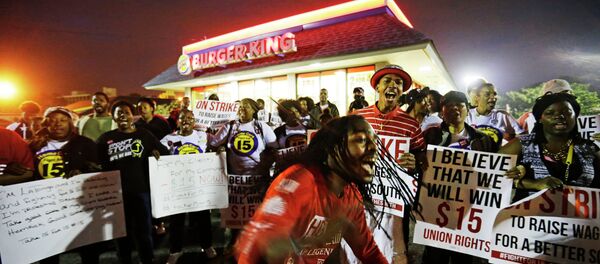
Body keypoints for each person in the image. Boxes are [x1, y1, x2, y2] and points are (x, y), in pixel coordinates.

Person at [235, 115, 388, 264]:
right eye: (361, 140)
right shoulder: (300, 181)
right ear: (333, 148)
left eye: (375, 141)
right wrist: (317, 238)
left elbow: (368, 251)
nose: (374, 148)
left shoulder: (351, 195)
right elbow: (264, 245)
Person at [353, 64, 427, 263]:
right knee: (356, 248)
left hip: (393, 202)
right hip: (360, 196)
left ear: (402, 91)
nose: (393, 85)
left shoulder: (411, 124)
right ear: (377, 88)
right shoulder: (358, 117)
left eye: (399, 82)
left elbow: (421, 157)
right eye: (387, 81)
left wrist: (414, 163)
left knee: (390, 251)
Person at [421, 91, 496, 264]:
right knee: (434, 255)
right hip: (436, 206)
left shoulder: (482, 139)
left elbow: (492, 172)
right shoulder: (430, 136)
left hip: (467, 209)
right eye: (449, 105)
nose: (455, 108)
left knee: (462, 258)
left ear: (468, 109)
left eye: (460, 105)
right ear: (442, 111)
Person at [97, 100, 169, 264]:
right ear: (113, 118)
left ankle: (147, 259)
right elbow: (98, 163)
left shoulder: (144, 135)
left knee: (143, 231)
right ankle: (124, 259)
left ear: (132, 116)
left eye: (126, 112)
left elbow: (164, 153)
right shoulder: (105, 139)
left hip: (140, 191)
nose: (123, 115)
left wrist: (156, 152)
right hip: (115, 194)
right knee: (121, 232)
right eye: (118, 113)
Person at [29, 106, 101, 264]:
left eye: (62, 120)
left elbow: (99, 171)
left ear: (70, 123)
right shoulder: (35, 146)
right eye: (52, 121)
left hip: (79, 205)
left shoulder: (85, 143)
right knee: (49, 250)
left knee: (87, 247)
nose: (58, 124)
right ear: (46, 124)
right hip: (46, 206)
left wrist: (83, 172)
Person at [500, 93, 599, 200]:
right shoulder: (522, 144)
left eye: (567, 112)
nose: (559, 116)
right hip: (530, 215)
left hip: (579, 215)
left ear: (575, 116)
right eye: (550, 113)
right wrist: (534, 184)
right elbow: (489, 174)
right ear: (540, 119)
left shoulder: (589, 148)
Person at [208, 98, 278, 250]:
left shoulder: (262, 127)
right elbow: (213, 143)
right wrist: (218, 148)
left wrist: (267, 162)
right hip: (235, 182)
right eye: (240, 107)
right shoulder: (230, 126)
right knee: (235, 221)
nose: (241, 109)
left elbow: (274, 148)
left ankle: (256, 247)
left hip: (257, 181)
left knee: (257, 216)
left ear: (254, 110)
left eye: (246, 107)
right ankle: (233, 248)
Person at [160, 110, 217, 263]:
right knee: (176, 220)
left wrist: (220, 151)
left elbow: (218, 144)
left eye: (190, 118)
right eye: (182, 118)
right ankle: (175, 250)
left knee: (203, 218)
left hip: (199, 185)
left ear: (194, 121)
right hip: (177, 186)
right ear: (177, 121)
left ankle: (207, 246)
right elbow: (158, 157)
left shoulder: (202, 136)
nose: (186, 120)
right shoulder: (168, 139)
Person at [466, 82, 524, 147]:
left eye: (494, 94)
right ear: (477, 97)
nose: (493, 98)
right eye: (487, 94)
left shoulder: (503, 115)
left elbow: (522, 136)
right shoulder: (466, 115)